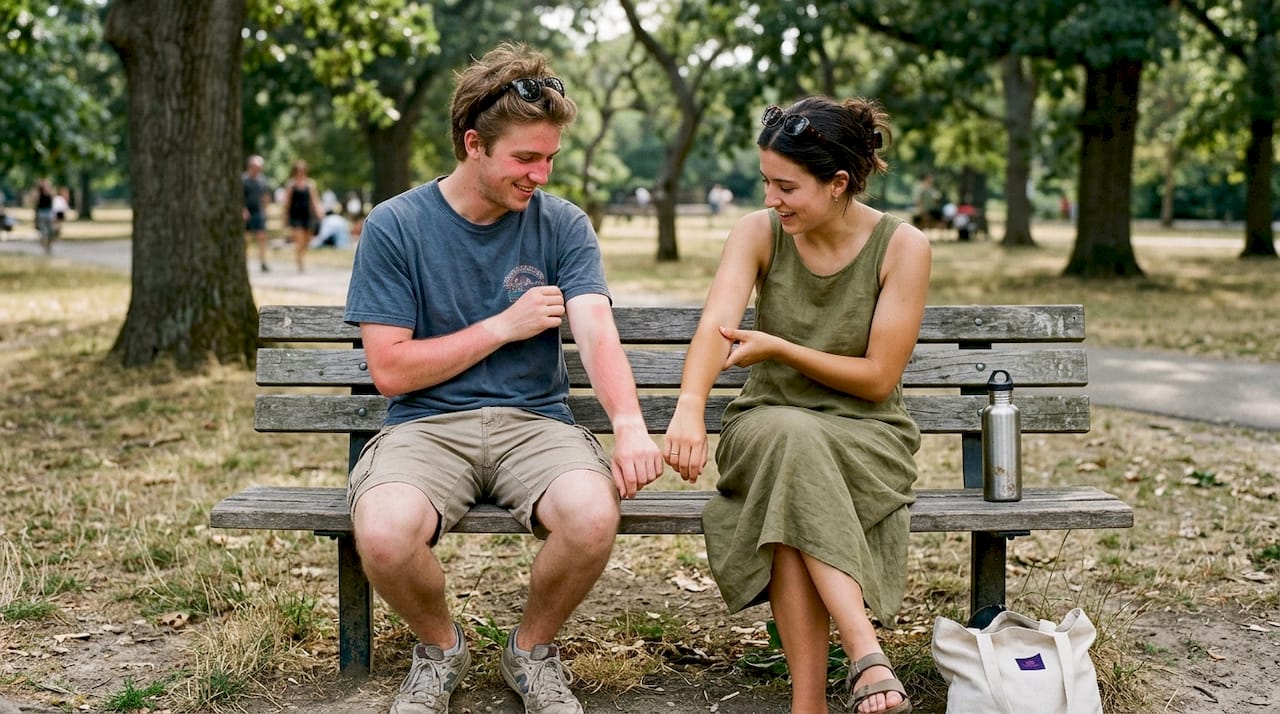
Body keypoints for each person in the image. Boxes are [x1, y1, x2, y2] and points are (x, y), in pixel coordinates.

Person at [343, 42, 664, 714]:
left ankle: (532, 650)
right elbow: (391, 369)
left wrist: (631, 426)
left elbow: (596, 327)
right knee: (382, 532)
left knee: (590, 514)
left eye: (549, 157)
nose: (541, 174)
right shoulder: (396, 226)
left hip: (535, 424)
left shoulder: (563, 225)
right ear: (473, 145)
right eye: (526, 158)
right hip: (426, 426)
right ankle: (439, 648)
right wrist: (502, 326)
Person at [663, 96, 930, 714]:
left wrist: (782, 347)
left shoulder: (902, 246)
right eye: (766, 182)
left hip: (865, 433)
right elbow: (716, 328)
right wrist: (687, 405)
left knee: (791, 487)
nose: (771, 199)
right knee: (788, 442)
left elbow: (876, 379)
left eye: (787, 186)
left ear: (838, 183)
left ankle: (806, 705)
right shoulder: (759, 233)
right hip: (764, 426)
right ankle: (865, 653)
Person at [281, 159, 323, 272]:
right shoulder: (291, 184)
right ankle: (300, 262)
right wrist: (284, 216)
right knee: (299, 239)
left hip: (307, 215)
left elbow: (315, 200)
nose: (300, 172)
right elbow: (287, 202)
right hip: (295, 216)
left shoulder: (310, 184)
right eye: (298, 170)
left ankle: (301, 257)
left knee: (307, 240)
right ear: (295, 171)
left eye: (302, 170)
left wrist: (319, 212)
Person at [242, 155, 271, 272]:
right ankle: (244, 262)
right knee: (246, 239)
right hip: (247, 212)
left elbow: (265, 196)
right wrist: (243, 209)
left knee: (262, 237)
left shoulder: (262, 180)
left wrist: (265, 209)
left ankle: (263, 262)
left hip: (258, 212)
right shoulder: (243, 180)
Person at [33, 179, 55, 255]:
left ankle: (48, 246)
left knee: (51, 232)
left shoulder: (50, 193)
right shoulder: (39, 193)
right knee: (44, 232)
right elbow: (34, 200)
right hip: (41, 213)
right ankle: (46, 249)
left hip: (49, 213)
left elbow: (53, 201)